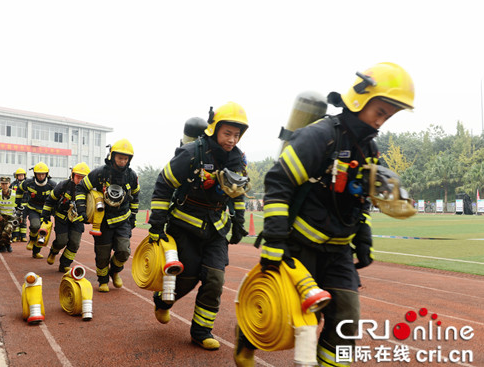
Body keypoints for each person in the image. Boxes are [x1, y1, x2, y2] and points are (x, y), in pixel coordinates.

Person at [233, 62, 415, 366]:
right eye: (380, 112)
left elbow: (361, 198)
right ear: (360, 100)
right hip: (299, 245)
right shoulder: (320, 136)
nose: (382, 122)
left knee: (346, 320)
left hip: (340, 252)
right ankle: (247, 338)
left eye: (388, 116)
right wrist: (276, 239)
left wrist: (364, 236)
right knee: (285, 312)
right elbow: (279, 183)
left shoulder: (368, 148)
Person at [148, 101, 250, 351]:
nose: (232, 140)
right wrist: (157, 223)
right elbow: (164, 183)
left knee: (215, 279)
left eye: (236, 135)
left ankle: (201, 331)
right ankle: (162, 302)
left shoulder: (238, 159)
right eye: (227, 133)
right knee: (187, 278)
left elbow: (237, 193)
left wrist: (238, 222)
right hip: (185, 226)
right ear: (214, 129)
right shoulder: (192, 152)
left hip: (217, 229)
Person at [75, 139, 140, 293]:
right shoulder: (99, 173)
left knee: (124, 251)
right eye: (120, 158)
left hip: (123, 219)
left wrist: (133, 217)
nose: (123, 161)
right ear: (112, 156)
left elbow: (136, 195)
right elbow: (81, 188)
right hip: (102, 221)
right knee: (103, 255)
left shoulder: (131, 176)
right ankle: (103, 280)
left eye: (126, 158)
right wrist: (83, 210)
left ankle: (115, 271)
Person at [41, 162, 90, 273]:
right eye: (78, 177)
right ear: (72, 176)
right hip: (62, 218)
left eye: (83, 178)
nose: (80, 180)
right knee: (62, 241)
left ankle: (64, 264)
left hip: (77, 220)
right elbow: (50, 200)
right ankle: (53, 251)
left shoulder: (89, 191)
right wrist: (45, 215)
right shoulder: (63, 185)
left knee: (74, 243)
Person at [15, 162, 57, 259]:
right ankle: (32, 240)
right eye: (38, 174)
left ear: (47, 174)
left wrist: (54, 210)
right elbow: (20, 190)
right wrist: (18, 203)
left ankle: (36, 252)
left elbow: (57, 197)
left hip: (46, 211)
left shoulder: (52, 185)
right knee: (35, 226)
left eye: (43, 174)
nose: (41, 176)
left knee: (43, 233)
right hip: (33, 208)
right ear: (35, 174)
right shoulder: (28, 183)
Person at [0, 176, 17, 253]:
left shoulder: (14, 194)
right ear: (0, 184)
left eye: (6, 184)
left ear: (9, 184)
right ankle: (2, 247)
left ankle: (8, 245)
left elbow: (19, 205)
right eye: (3, 184)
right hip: (0, 218)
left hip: (11, 218)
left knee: (5, 233)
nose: (4, 185)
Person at [10, 168, 28, 242]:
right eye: (19, 175)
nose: (20, 176)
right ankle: (15, 236)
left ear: (24, 176)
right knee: (15, 220)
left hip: (24, 205)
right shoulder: (13, 184)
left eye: (22, 175)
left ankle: (23, 236)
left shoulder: (27, 184)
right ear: (16, 176)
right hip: (15, 205)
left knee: (23, 221)